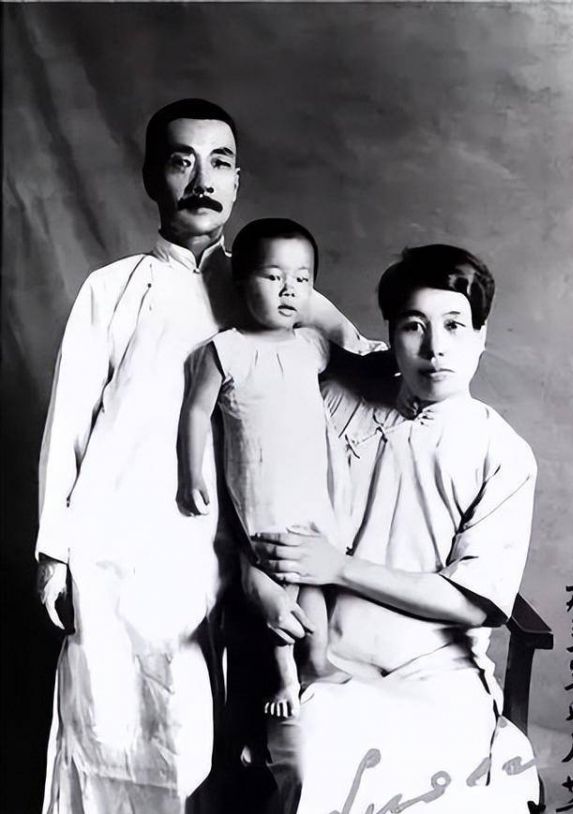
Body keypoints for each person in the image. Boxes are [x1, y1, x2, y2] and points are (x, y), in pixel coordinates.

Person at [35, 98, 380, 814]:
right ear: (151, 178)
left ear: (237, 180)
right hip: (129, 551)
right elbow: (68, 424)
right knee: (122, 736)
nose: (201, 180)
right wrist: (54, 554)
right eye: (180, 161)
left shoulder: (269, 285)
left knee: (234, 742)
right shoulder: (113, 289)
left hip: (249, 553)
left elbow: (362, 361)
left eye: (219, 163)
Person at [254, 244, 541, 814]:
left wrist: (338, 567)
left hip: (440, 677)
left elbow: (472, 604)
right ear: (389, 336)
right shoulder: (340, 400)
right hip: (327, 663)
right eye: (414, 326)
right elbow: (295, 303)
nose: (435, 348)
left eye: (455, 326)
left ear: (481, 336)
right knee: (316, 763)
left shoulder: (502, 452)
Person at [177, 218, 352, 720]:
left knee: (312, 579)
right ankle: (284, 678)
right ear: (240, 282)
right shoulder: (226, 349)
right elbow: (196, 411)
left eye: (302, 279)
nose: (289, 289)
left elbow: (359, 365)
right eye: (273, 277)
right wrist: (191, 474)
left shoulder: (312, 346)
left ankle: (316, 658)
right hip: (263, 490)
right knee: (277, 581)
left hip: (310, 490)